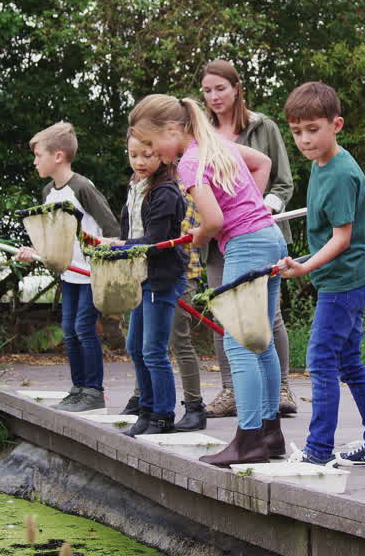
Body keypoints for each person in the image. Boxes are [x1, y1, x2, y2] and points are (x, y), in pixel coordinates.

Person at [129, 94, 288, 467]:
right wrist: (255, 205)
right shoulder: (217, 146)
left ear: (172, 130)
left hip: (246, 245)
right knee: (260, 343)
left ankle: (248, 440)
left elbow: (214, 220)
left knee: (237, 345)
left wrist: (200, 235)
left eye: (152, 144)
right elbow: (260, 164)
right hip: (269, 236)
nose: (153, 153)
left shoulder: (189, 163)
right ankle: (269, 434)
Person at [278, 82, 365, 469]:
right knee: (349, 362)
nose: (305, 139)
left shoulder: (342, 173)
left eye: (313, 129)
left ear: (337, 125)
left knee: (321, 360)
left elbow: (343, 238)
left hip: (345, 280)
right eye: (297, 132)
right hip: (342, 277)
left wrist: (304, 265)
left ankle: (318, 451)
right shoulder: (321, 164)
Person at [198, 59, 300, 419]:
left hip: (257, 233)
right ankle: (230, 390)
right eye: (207, 91)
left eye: (220, 88)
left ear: (237, 87)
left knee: (267, 315)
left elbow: (283, 180)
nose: (214, 97)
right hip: (217, 239)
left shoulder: (262, 127)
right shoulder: (203, 134)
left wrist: (264, 205)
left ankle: (282, 386)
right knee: (224, 313)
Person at [16, 121, 119, 413]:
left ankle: (94, 392)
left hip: (91, 271)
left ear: (58, 156)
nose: (35, 161)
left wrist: (103, 255)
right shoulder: (49, 192)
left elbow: (110, 226)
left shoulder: (82, 188)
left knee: (84, 328)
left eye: (39, 155)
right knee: (69, 330)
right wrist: (35, 251)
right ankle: (78, 389)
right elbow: (52, 237)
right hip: (70, 273)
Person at [107, 132, 189, 436]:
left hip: (162, 277)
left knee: (153, 349)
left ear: (163, 156)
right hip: (140, 277)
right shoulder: (136, 186)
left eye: (147, 155)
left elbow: (155, 241)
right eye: (133, 154)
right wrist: (117, 245)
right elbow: (129, 229)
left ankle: (162, 415)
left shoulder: (165, 192)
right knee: (135, 346)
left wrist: (118, 245)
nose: (139, 161)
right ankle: (146, 408)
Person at [121, 182, 210, 431]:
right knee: (141, 345)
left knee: (174, 341)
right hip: (144, 272)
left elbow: (172, 235)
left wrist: (125, 245)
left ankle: (192, 407)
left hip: (178, 271)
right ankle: (145, 407)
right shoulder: (140, 187)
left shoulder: (180, 188)